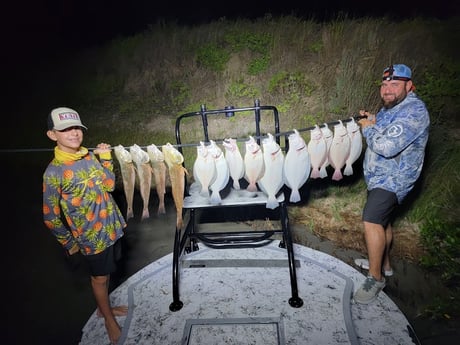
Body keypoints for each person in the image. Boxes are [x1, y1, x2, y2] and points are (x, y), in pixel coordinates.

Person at [43, 107, 128, 344]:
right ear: (52, 135)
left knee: (108, 273)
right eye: (65, 129)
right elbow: (50, 216)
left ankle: (104, 308)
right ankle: (108, 318)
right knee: (99, 279)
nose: (74, 133)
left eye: (77, 128)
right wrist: (69, 243)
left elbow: (110, 185)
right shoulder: (54, 172)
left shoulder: (89, 157)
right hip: (91, 237)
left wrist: (106, 158)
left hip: (112, 227)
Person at [354, 64, 430, 304]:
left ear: (409, 85)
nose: (387, 90)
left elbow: (387, 146)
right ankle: (384, 265)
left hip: (394, 179)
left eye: (394, 85)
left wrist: (367, 130)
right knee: (383, 221)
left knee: (372, 220)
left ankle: (375, 278)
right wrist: (373, 120)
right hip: (379, 177)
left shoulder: (414, 112)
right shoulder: (392, 106)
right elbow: (387, 129)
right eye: (384, 85)